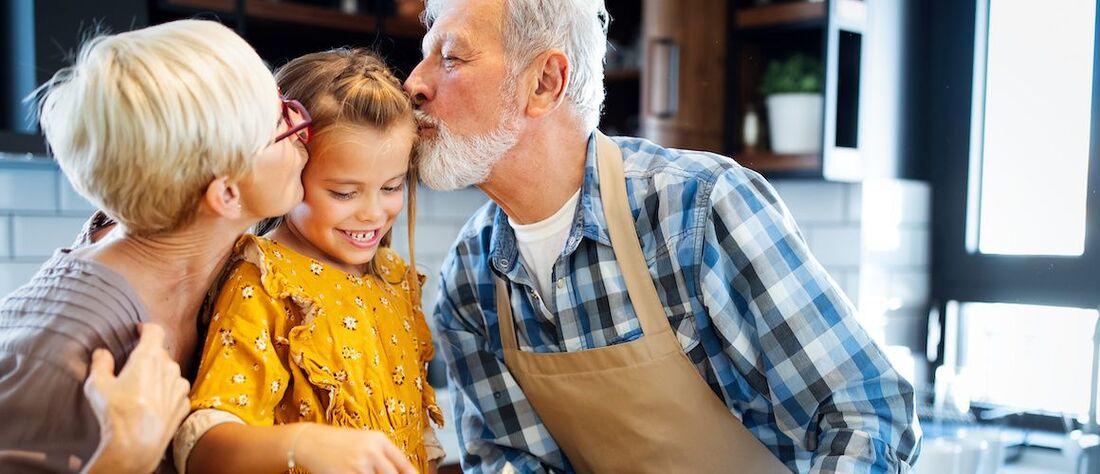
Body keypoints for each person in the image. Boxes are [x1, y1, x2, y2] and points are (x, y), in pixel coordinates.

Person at [403, 0, 921, 472]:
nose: (414, 83)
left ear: (545, 83)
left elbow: (866, 415)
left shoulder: (698, 210)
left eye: (450, 58)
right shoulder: (468, 281)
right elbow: (510, 459)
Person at [0, 19, 310, 473]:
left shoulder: (219, 277)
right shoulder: (56, 348)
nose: (301, 126)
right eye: (279, 123)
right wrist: (122, 460)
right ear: (225, 195)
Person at [173, 48, 444, 474]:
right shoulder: (264, 280)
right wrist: (302, 444)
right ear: (291, 171)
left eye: (391, 187)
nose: (373, 213)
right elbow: (204, 448)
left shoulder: (392, 275)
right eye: (343, 193)